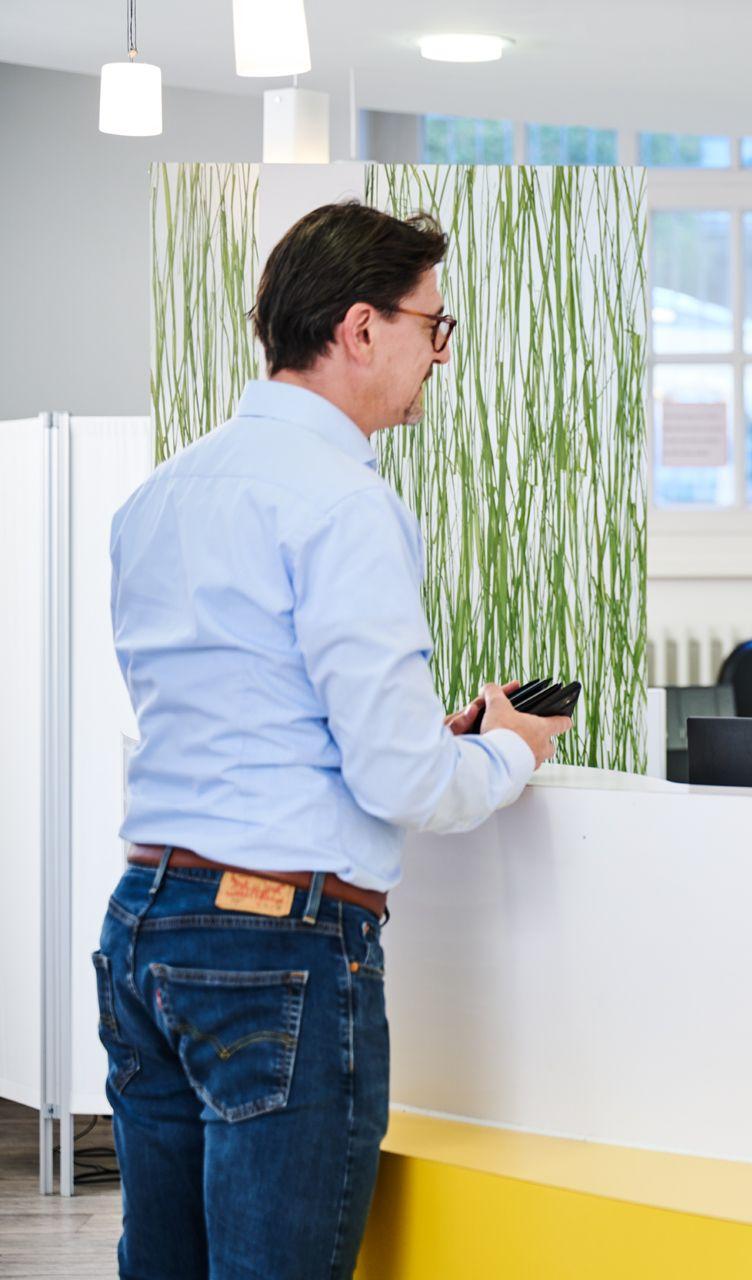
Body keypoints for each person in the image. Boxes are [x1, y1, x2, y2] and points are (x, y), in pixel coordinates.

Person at [94, 200, 573, 1279]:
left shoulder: (157, 498)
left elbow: (249, 712)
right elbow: (400, 777)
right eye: (431, 325)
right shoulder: (343, 503)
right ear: (362, 328)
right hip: (275, 945)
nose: (436, 352)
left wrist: (430, 734)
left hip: (144, 924)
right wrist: (509, 751)